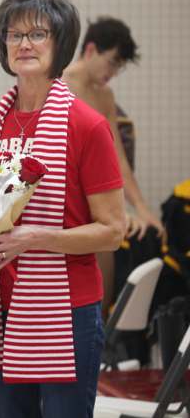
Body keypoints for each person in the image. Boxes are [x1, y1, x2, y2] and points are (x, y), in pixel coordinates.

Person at [0, 0, 126, 418]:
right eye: (13, 35)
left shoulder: (86, 126)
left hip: (66, 310)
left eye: (37, 33)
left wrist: (36, 238)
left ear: (61, 44)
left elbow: (113, 231)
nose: (24, 44)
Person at [63, 17, 166, 315]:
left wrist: (142, 211)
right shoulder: (57, 86)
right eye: (112, 62)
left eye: (119, 67)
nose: (113, 72)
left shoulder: (104, 95)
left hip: (95, 212)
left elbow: (116, 159)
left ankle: (101, 357)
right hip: (63, 208)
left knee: (99, 302)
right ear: (91, 50)